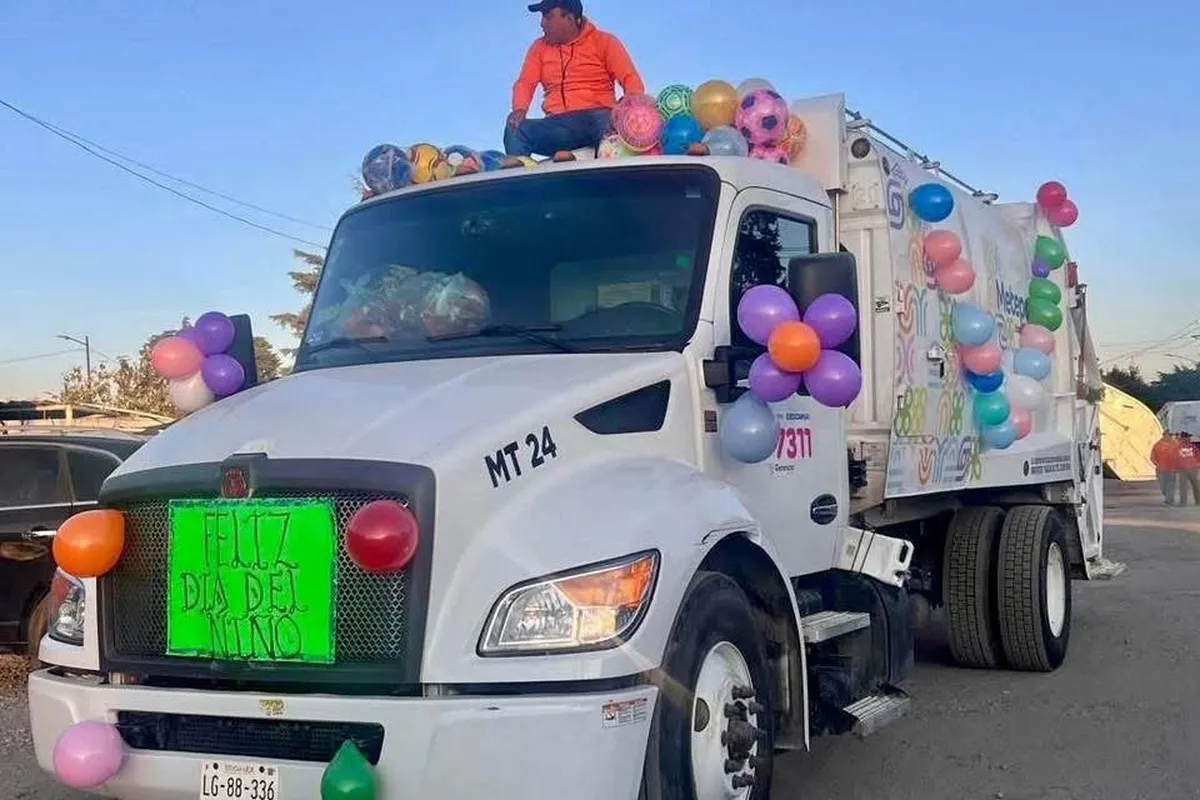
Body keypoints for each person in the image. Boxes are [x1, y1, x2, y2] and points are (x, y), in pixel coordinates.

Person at [505, 0, 645, 159]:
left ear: (570, 18)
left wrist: (628, 105)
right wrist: (519, 109)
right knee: (515, 128)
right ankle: (522, 170)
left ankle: (602, 171)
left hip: (596, 121)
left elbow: (630, 78)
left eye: (548, 16)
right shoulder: (539, 48)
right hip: (556, 126)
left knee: (607, 118)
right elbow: (525, 82)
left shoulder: (604, 41)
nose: (542, 23)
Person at [1151, 431, 1181, 505]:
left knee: (1171, 484)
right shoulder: (1157, 445)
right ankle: (1167, 495)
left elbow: (1180, 455)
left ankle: (1170, 499)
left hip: (1172, 469)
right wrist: (1157, 464)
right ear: (1164, 435)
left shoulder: (1176, 444)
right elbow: (1152, 457)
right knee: (1163, 486)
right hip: (1161, 469)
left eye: (1171, 435)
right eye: (1169, 435)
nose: (1170, 436)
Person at [1175, 432, 1200, 506]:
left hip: (1192, 469)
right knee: (1183, 486)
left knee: (1196, 486)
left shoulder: (1192, 446)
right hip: (1183, 469)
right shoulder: (1178, 447)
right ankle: (1183, 502)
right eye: (1187, 437)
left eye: (1189, 437)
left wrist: (1198, 463)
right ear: (1183, 438)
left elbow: (1198, 455)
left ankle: (1198, 501)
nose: (1189, 438)